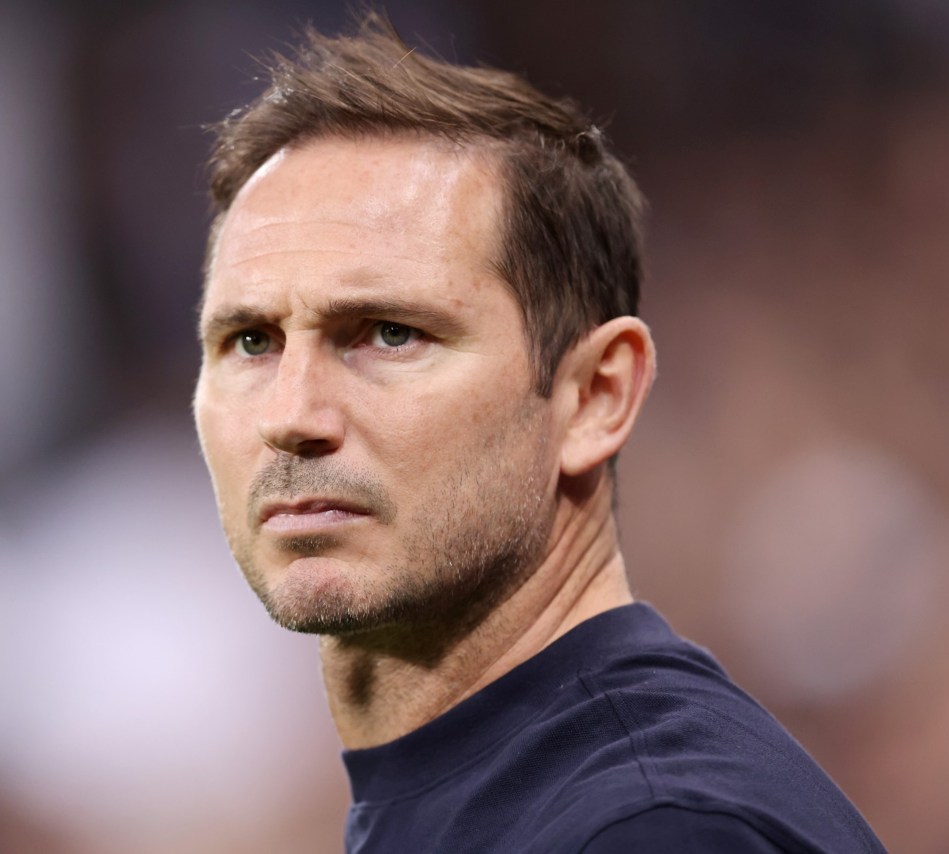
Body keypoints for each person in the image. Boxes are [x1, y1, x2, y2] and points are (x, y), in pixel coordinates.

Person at [193, 13, 885, 853]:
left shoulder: (651, 829)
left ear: (595, 396)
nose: (291, 416)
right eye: (251, 342)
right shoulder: (521, 792)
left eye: (388, 332)